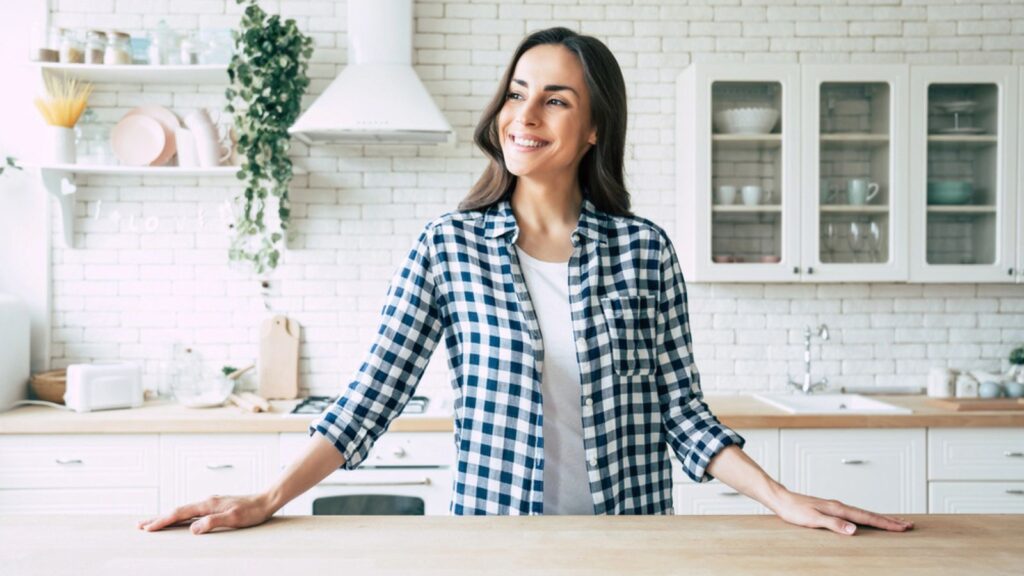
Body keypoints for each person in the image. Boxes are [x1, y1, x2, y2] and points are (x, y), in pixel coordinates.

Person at [139, 27, 914, 535]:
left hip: (629, 537)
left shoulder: (643, 251)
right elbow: (369, 400)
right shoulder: (449, 247)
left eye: (556, 98)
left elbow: (684, 415)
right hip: (496, 538)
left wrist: (783, 498)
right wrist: (269, 497)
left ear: (594, 127)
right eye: (517, 91)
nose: (525, 113)